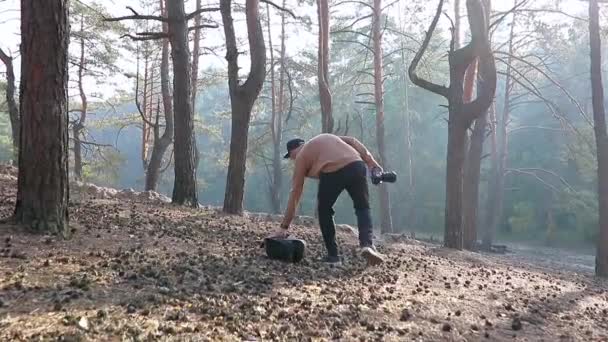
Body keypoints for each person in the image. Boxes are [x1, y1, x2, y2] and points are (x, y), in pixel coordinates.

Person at [267, 133, 386, 266]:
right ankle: (367, 244)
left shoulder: (301, 156)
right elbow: (353, 141)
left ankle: (333, 256)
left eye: (291, 156)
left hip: (333, 172)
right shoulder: (326, 138)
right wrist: (372, 164)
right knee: (362, 207)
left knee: (324, 210)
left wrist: (284, 226)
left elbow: (295, 192)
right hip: (357, 165)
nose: (293, 160)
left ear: (294, 150)